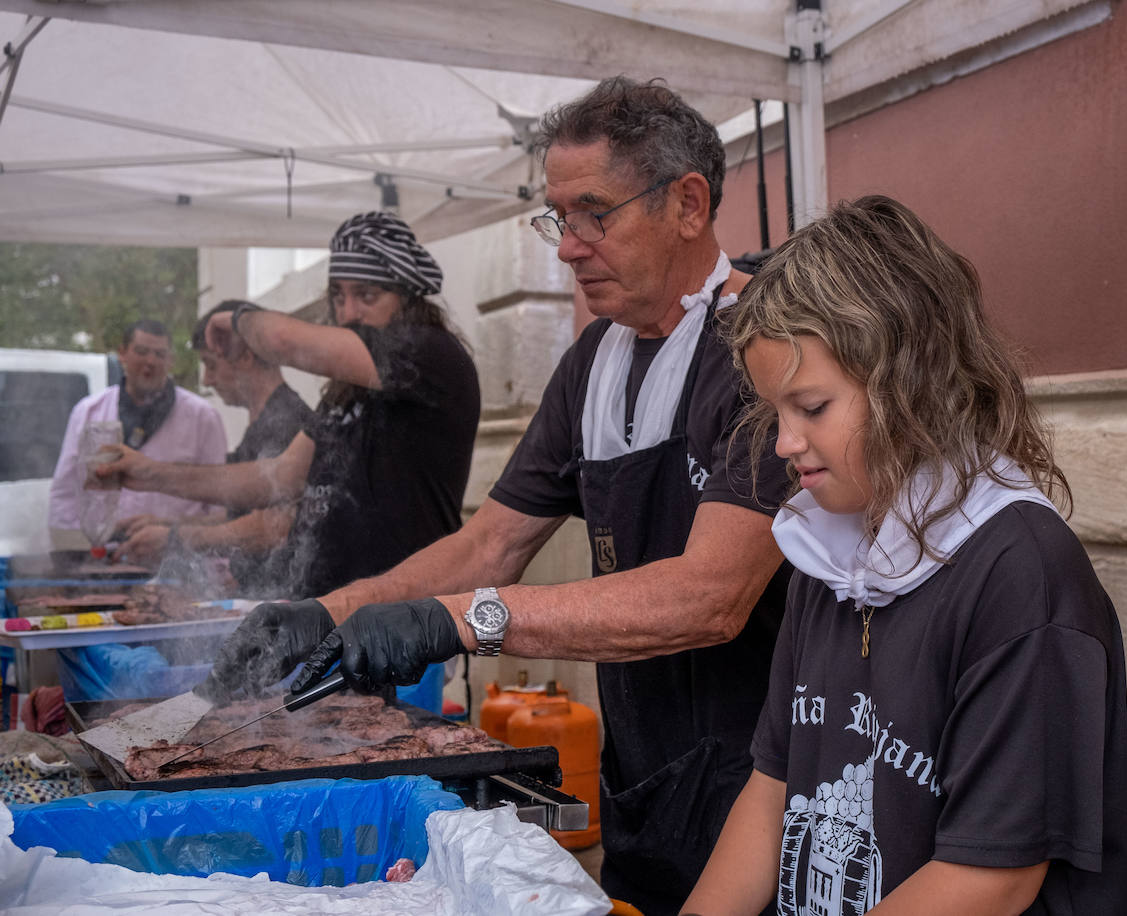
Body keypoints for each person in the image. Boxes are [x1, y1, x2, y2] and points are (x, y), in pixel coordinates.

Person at [225, 77, 793, 915]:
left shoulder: (766, 348)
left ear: (688, 202)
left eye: (594, 213)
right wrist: (329, 610)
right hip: (643, 776)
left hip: (769, 783)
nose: (567, 248)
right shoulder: (593, 361)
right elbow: (490, 542)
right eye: (558, 219)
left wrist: (460, 620)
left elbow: (711, 597)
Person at [681, 196, 1127, 915]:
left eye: (813, 408)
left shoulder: (1022, 576)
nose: (784, 444)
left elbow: (994, 877)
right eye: (776, 413)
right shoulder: (824, 552)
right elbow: (772, 790)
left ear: (908, 383)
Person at [97, 212, 480, 607]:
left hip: (408, 616)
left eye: (367, 295)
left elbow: (280, 338)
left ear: (407, 296)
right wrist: (146, 474)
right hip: (330, 609)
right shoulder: (348, 388)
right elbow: (277, 477)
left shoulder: (429, 353)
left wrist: (236, 320)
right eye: (338, 295)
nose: (348, 313)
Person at [112, 300, 314, 595]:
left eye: (211, 364)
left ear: (245, 356)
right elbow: (239, 514)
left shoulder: (286, 423)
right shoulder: (260, 423)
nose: (207, 379)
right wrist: (167, 521)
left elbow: (273, 526)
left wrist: (175, 538)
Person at [48, 318, 226, 540]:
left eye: (160, 354)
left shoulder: (203, 417)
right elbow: (65, 493)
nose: (150, 361)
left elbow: (220, 503)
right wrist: (72, 551)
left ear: (170, 360)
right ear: (122, 353)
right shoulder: (88, 412)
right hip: (105, 556)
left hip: (177, 559)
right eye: (141, 351)